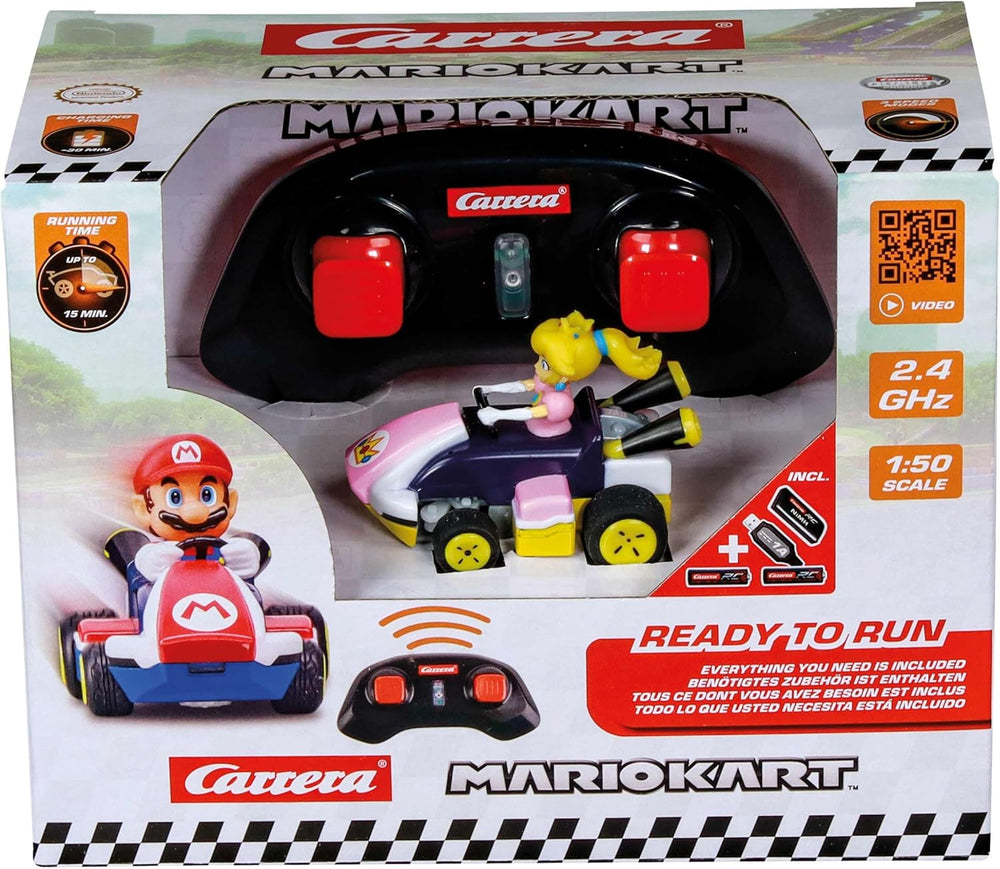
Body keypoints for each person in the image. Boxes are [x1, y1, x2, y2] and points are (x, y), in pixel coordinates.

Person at [126, 433, 265, 611]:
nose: (195, 513)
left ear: (230, 502)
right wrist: (150, 565)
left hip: (228, 607)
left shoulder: (226, 552)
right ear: (143, 509)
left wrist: (245, 558)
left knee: (249, 589)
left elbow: (246, 560)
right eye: (174, 498)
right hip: (166, 612)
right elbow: (141, 565)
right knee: (145, 590)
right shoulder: (154, 554)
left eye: (207, 496)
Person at [476, 311, 662, 437]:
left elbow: (530, 413)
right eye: (541, 359)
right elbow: (522, 385)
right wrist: (489, 389)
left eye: (545, 364)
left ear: (566, 373)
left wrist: (497, 415)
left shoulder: (561, 403)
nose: (536, 366)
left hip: (549, 433)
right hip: (536, 425)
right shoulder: (549, 381)